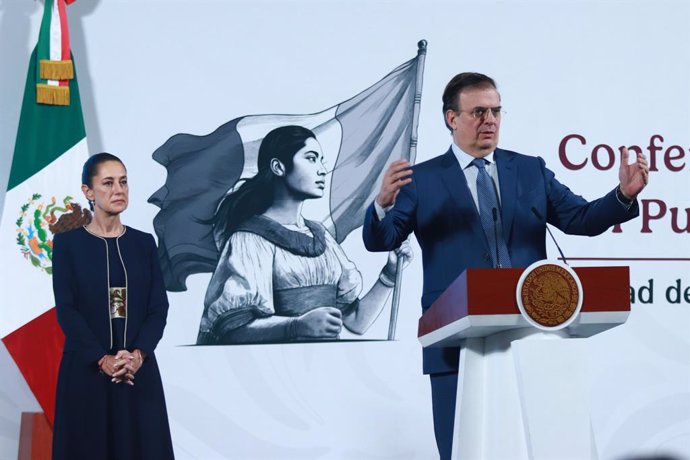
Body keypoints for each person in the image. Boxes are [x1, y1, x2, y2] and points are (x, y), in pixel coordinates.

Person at [362, 72, 649, 459]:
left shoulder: (529, 170)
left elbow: (581, 219)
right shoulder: (422, 180)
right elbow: (384, 239)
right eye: (479, 111)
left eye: (496, 111)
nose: (491, 120)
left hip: (534, 339)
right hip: (455, 343)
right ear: (452, 118)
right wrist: (381, 205)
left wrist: (622, 197)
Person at [197, 125, 410, 344]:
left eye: (321, 160)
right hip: (274, 370)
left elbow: (356, 321)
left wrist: (390, 274)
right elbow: (233, 330)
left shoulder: (322, 237)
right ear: (278, 167)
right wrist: (296, 326)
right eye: (311, 158)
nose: (321, 170)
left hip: (324, 367)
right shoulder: (249, 240)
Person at [52, 153, 174, 460]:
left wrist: (137, 355)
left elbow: (158, 308)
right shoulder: (68, 246)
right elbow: (67, 310)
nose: (118, 189)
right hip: (86, 373)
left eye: (123, 182)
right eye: (108, 183)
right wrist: (102, 359)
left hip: (137, 373)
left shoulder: (144, 244)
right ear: (88, 192)